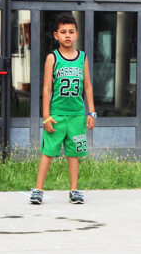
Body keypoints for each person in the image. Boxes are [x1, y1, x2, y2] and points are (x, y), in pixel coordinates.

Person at [30, 13, 96, 205]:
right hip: (57, 115)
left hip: (76, 116)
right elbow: (47, 88)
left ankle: (74, 190)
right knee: (48, 152)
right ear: (56, 35)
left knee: (73, 154)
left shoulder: (82, 57)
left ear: (77, 34)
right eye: (63, 32)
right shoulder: (53, 57)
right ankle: (38, 189)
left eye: (71, 32)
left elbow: (88, 86)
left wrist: (91, 112)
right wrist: (46, 116)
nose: (67, 35)